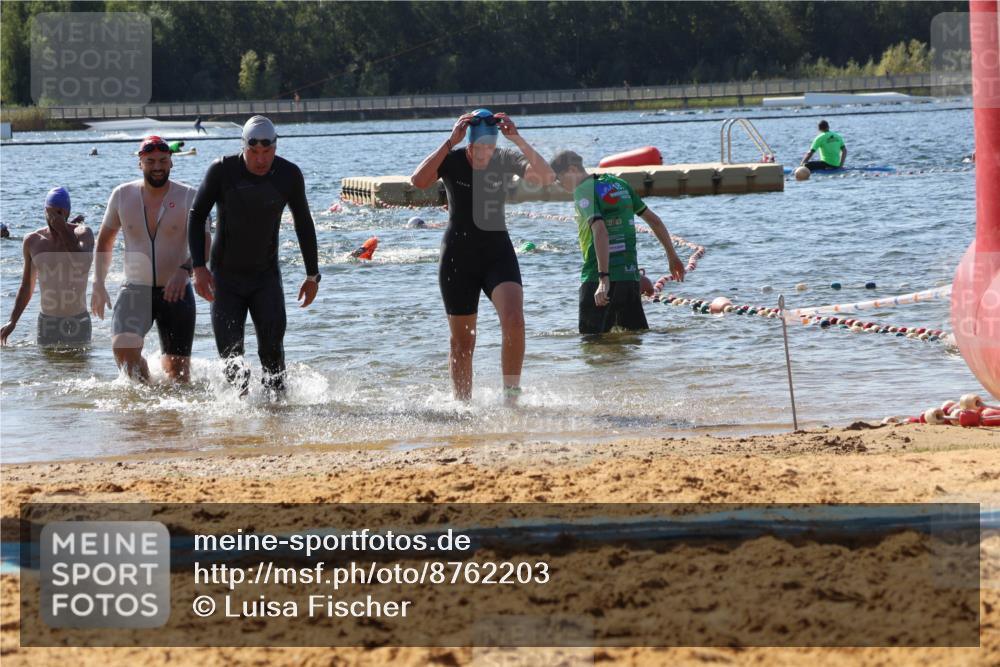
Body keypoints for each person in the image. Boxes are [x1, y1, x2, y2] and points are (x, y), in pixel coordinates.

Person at [410, 108, 555, 404]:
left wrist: (518, 140)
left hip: (497, 253)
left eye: (490, 148)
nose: (484, 154)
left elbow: (547, 177)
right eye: (479, 148)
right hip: (457, 258)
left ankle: (511, 396)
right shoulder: (451, 159)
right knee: (463, 342)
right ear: (469, 145)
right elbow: (418, 181)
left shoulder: (504, 160)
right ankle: (463, 406)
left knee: (514, 320)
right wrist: (450, 141)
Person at [188, 115, 320, 395]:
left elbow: (303, 223)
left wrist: (312, 275)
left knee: (273, 354)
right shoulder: (222, 170)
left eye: (267, 151)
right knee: (231, 356)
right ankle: (240, 422)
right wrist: (198, 267)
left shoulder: (289, 175)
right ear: (243, 146)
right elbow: (197, 215)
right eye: (254, 152)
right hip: (225, 278)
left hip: (265, 278)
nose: (261, 159)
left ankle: (275, 423)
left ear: (275, 146)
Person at [91, 136, 210, 382]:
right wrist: (98, 283)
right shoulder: (122, 195)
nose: (157, 166)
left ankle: (164, 418)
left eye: (163, 161)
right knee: (124, 352)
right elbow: (105, 241)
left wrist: (185, 269)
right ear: (140, 163)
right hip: (134, 289)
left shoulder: (189, 196)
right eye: (151, 161)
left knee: (178, 375)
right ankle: (146, 400)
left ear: (171, 163)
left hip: (176, 292)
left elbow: (206, 243)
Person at [549, 150, 685, 334]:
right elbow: (655, 221)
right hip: (629, 278)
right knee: (634, 341)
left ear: (571, 170)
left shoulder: (583, 190)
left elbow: (601, 231)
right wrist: (672, 256)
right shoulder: (619, 184)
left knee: (592, 345)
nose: (559, 184)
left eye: (558, 179)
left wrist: (603, 279)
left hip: (598, 279)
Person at [1, 187, 94, 348]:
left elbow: (82, 266)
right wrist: (13, 320)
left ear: (67, 212)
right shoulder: (32, 240)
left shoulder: (83, 234)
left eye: (60, 213)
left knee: (78, 369)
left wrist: (63, 229)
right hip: (47, 322)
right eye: (51, 212)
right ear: (45, 210)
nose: (54, 217)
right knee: (47, 369)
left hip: (78, 319)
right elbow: (27, 286)